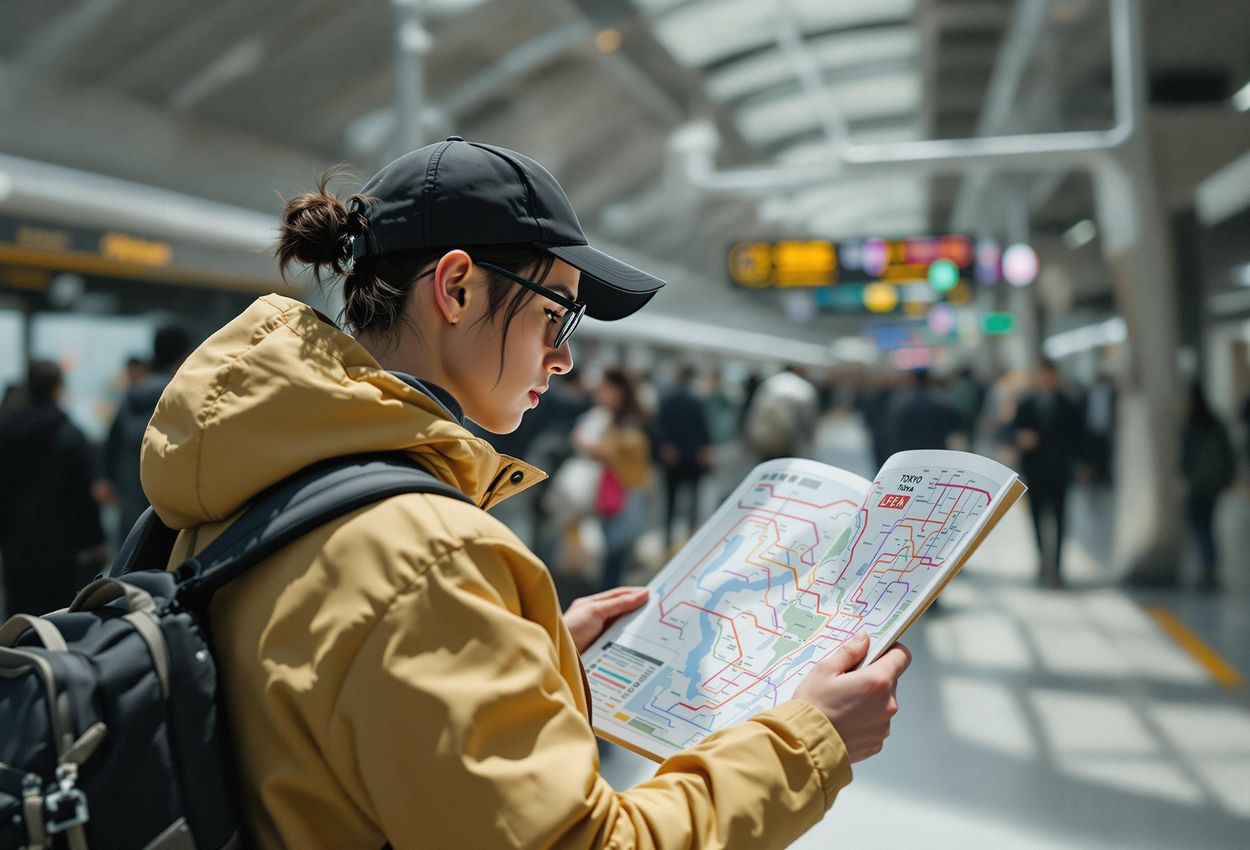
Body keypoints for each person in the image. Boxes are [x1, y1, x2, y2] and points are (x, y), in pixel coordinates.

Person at [139, 138, 911, 849]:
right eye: (554, 315)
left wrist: (525, 655)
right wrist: (807, 741)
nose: (564, 357)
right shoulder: (427, 555)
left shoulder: (253, 476)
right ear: (456, 288)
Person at [0, 361, 105, 617]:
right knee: (58, 618)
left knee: (19, 617)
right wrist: (96, 539)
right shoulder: (69, 433)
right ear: (58, 388)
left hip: (16, 542)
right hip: (61, 546)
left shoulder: (5, 431)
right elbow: (83, 494)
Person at [100, 324, 192, 539]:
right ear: (184, 355)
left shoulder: (133, 393)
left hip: (131, 495)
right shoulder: (182, 393)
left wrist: (107, 478)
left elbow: (113, 440)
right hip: (169, 505)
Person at [574, 368, 654, 590]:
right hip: (616, 488)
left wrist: (593, 447)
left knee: (616, 549)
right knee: (613, 549)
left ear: (618, 390)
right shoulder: (611, 416)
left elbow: (622, 452)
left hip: (625, 490)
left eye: (606, 387)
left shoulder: (629, 420)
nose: (600, 391)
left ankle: (608, 593)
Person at [1011, 360, 1087, 588]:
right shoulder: (1026, 404)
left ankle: (1057, 566)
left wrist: (1082, 465)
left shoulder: (1068, 405)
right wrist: (1020, 439)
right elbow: (1013, 431)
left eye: (1051, 375)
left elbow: (1079, 437)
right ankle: (1042, 562)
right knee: (1036, 518)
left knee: (1060, 519)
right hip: (1034, 472)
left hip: (1059, 472)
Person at [1180, 382, 1235, 590]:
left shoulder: (1190, 425)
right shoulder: (1215, 422)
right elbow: (1228, 452)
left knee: (1200, 526)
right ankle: (1210, 566)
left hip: (1197, 484)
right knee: (1208, 525)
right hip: (1213, 483)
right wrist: (1227, 477)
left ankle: (1208, 566)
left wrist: (1185, 475)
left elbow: (1184, 459)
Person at [654, 364, 712, 550]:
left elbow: (659, 425)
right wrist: (704, 450)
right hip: (693, 456)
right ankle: (691, 539)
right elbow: (704, 427)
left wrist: (666, 445)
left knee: (670, 501)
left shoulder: (668, 397)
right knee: (694, 500)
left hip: (672, 456)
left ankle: (667, 540)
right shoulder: (699, 398)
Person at [743, 365, 821, 461]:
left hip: (764, 436)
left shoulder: (770, 382)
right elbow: (808, 419)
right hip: (789, 441)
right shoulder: (804, 388)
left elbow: (754, 410)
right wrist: (809, 443)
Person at [885, 369, 966, 453]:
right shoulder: (942, 401)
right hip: (936, 450)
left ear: (912, 378)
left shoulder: (901, 403)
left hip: (910, 452)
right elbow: (956, 431)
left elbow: (893, 432)